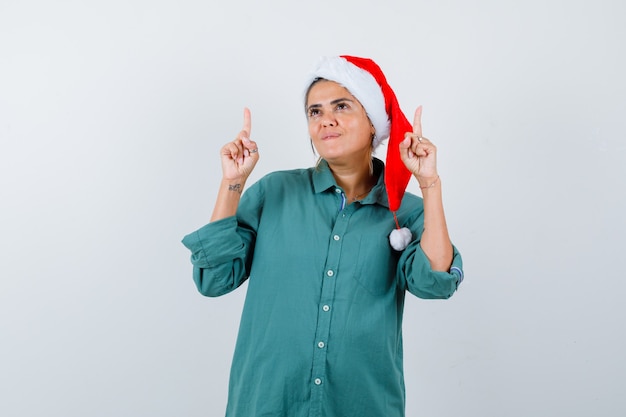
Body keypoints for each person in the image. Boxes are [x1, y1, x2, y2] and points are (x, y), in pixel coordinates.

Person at [182, 55, 464, 417]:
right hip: (268, 403)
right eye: (314, 111)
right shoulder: (274, 192)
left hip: (363, 406)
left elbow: (435, 282)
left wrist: (430, 184)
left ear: (372, 125)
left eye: (341, 106)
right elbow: (214, 279)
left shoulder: (405, 213)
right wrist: (232, 183)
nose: (325, 119)